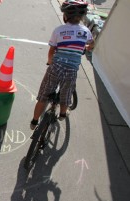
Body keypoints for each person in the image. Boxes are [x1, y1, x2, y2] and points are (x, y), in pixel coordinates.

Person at [30, 0, 94, 130]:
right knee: (65, 95)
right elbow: (91, 44)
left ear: (65, 16)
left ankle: (34, 122)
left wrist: (50, 61)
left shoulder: (59, 30)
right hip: (71, 70)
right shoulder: (86, 31)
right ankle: (63, 114)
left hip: (56, 67)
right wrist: (85, 47)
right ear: (82, 17)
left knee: (43, 95)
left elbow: (52, 50)